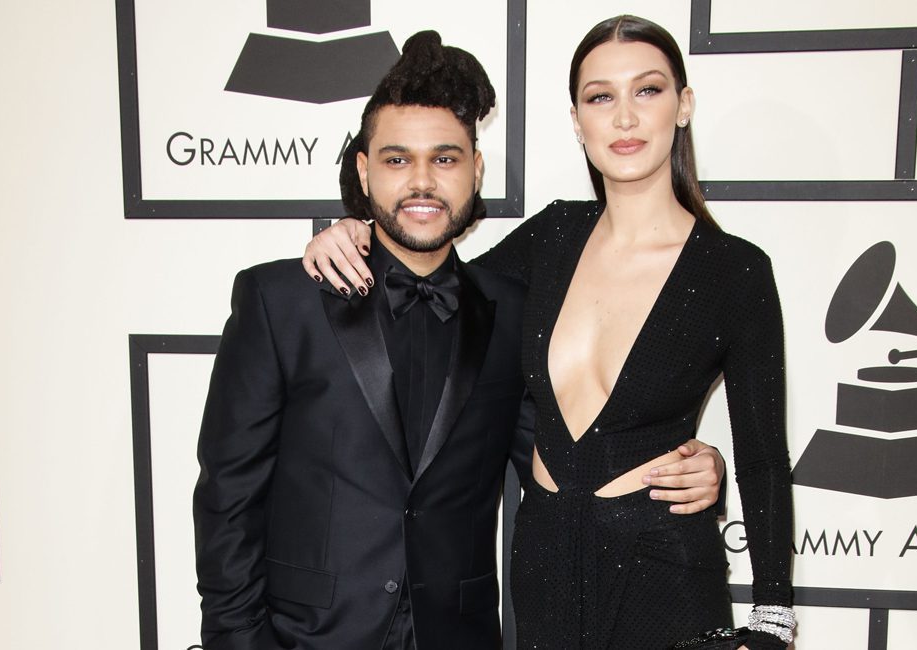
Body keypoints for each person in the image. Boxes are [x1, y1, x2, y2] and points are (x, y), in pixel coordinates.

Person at [194, 29, 725, 650]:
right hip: (305, 638)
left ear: (475, 169)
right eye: (397, 159)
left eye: (445, 159)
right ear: (363, 172)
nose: (422, 181)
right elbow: (228, 496)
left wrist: (692, 468)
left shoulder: (513, 310)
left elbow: (566, 462)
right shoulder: (281, 301)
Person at [301, 15, 795, 650]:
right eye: (600, 97)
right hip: (543, 570)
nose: (624, 118)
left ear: (683, 105)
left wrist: (772, 621)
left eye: (647, 91)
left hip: (667, 576)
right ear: (576, 120)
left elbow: (763, 456)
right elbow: (430, 289)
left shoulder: (734, 270)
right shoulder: (551, 238)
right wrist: (354, 231)